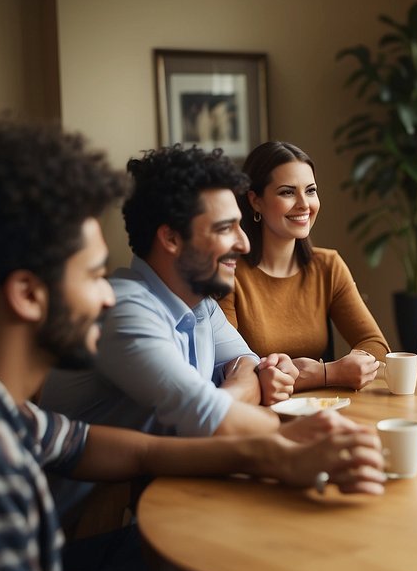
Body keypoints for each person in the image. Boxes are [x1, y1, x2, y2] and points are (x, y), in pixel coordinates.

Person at [0, 120, 385, 571]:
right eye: (93, 275)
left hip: (54, 560)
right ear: (26, 294)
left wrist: (271, 452)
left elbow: (91, 443)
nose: (104, 295)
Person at [41, 145, 300, 440]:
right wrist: (240, 391)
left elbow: (249, 363)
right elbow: (213, 422)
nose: (244, 244)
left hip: (169, 480)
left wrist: (238, 382)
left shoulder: (201, 303)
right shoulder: (122, 309)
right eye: (225, 228)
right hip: (109, 487)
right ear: (171, 238)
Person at [220, 140, 388, 391]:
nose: (304, 204)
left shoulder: (328, 265)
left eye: (310, 190)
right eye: (287, 192)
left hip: (323, 409)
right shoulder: (228, 273)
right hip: (255, 414)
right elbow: (226, 368)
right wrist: (326, 374)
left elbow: (375, 344)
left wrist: (357, 363)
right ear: (255, 201)